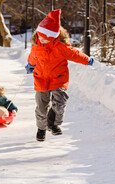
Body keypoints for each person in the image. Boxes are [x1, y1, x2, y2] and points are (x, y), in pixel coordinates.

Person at [25, 9, 94, 142]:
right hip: (41, 79)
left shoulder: (61, 47)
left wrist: (86, 60)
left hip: (58, 79)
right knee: (41, 106)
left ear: (54, 37)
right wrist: (30, 65)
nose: (42, 40)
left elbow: (74, 54)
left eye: (46, 38)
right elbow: (32, 57)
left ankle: (52, 123)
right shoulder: (36, 46)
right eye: (40, 37)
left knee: (60, 102)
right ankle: (41, 129)